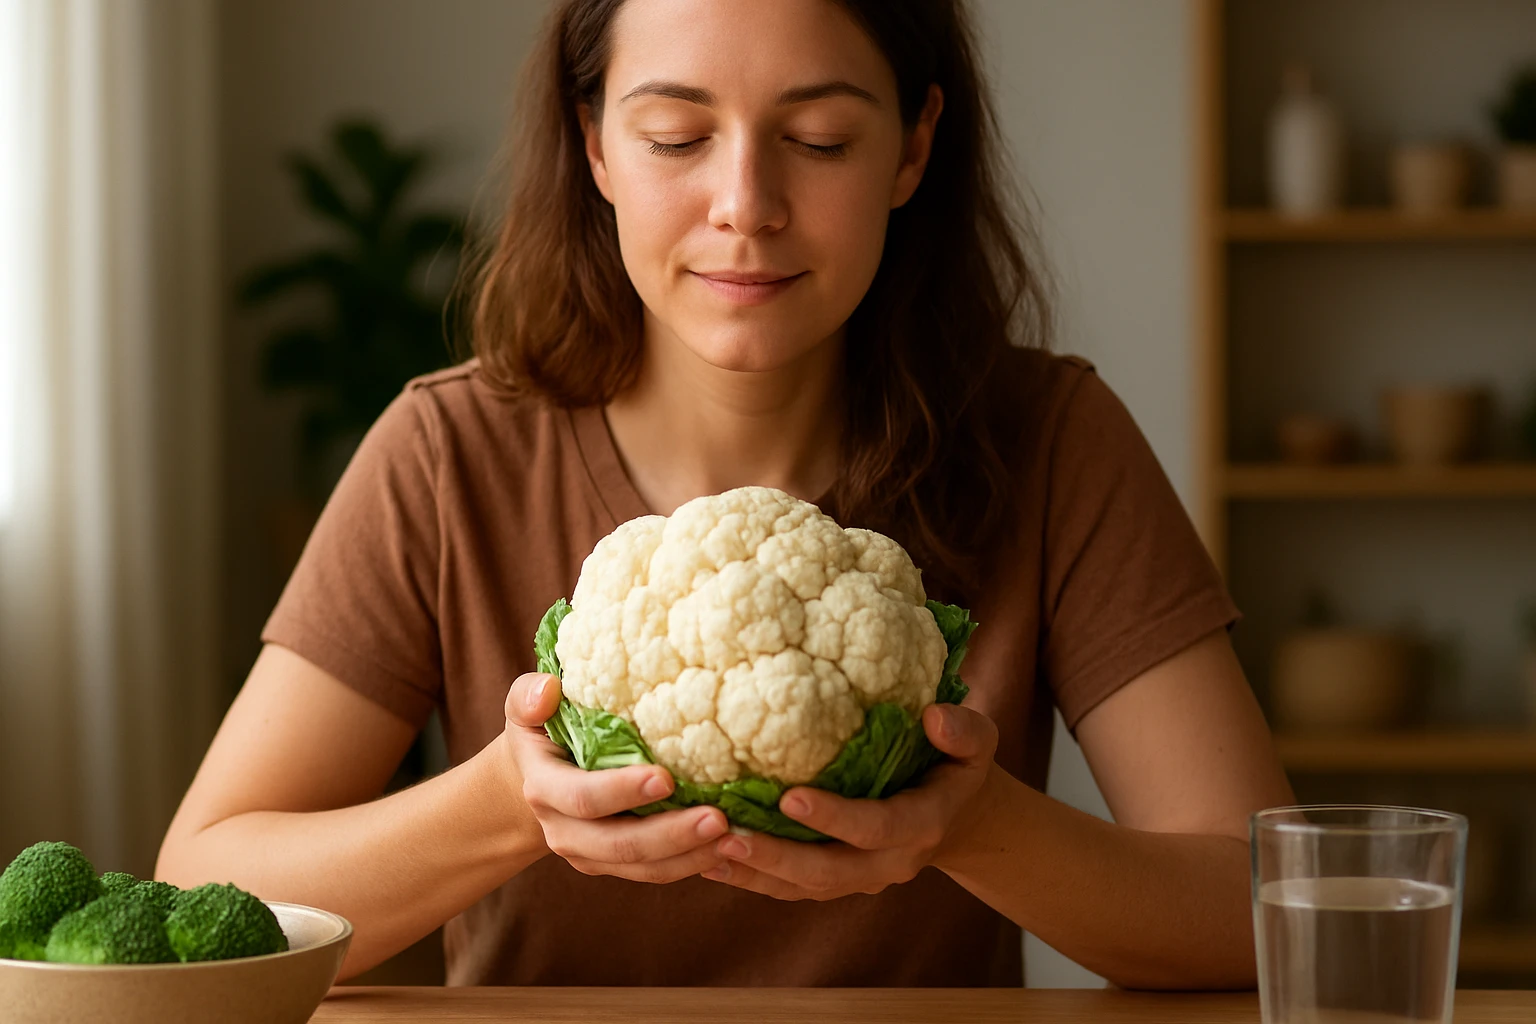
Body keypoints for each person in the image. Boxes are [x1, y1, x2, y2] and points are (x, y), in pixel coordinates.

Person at [156, 0, 1294, 989]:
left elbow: (1268, 905)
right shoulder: (449, 453)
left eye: (819, 137)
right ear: (593, 142)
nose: (745, 202)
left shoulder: (1050, 442)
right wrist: (511, 803)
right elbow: (206, 888)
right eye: (675, 135)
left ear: (912, 148)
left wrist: (975, 824)